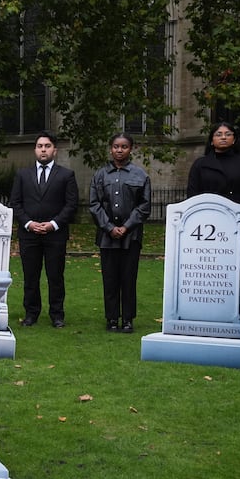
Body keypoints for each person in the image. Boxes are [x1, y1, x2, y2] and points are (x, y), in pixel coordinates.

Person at [9, 131, 79, 328]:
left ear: (54, 150)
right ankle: (31, 313)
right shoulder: (23, 174)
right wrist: (29, 223)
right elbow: (15, 203)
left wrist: (53, 224)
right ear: (35, 150)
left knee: (55, 276)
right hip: (28, 235)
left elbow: (71, 205)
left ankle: (57, 315)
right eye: (40, 146)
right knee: (31, 276)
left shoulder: (66, 175)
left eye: (47, 146)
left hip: (55, 234)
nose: (43, 149)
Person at [89, 133, 151, 333]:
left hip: (131, 237)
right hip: (107, 237)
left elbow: (144, 205)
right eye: (116, 146)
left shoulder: (140, 175)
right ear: (110, 148)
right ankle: (112, 318)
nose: (119, 150)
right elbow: (94, 204)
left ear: (131, 149)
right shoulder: (100, 175)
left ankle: (127, 319)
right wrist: (108, 227)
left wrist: (126, 226)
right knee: (110, 279)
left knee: (128, 278)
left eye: (124, 146)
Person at [187, 121, 240, 205]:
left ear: (234, 140)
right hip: (206, 212)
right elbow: (192, 193)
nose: (223, 137)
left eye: (228, 134)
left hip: (237, 213)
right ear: (212, 141)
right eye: (218, 134)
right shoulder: (200, 164)